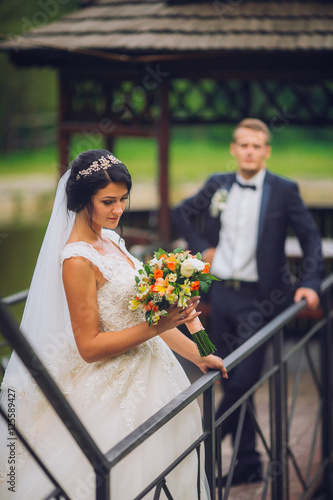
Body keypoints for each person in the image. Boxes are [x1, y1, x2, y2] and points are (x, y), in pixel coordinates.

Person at [0, 149, 227, 499]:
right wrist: (155, 327)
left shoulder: (112, 240)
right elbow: (89, 347)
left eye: (123, 199)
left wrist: (198, 355)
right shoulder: (76, 260)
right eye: (108, 201)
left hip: (157, 372)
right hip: (112, 385)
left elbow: (150, 319)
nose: (118, 210)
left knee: (171, 462)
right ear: (80, 199)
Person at [172, 118, 323, 486]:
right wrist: (202, 246)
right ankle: (248, 463)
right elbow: (181, 213)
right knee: (224, 373)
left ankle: (202, 439)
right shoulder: (217, 184)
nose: (250, 151)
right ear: (233, 149)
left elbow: (311, 240)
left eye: (257, 146)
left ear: (266, 151)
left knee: (241, 379)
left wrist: (311, 282)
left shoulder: (284, 190)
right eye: (244, 145)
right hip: (220, 296)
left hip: (263, 300)